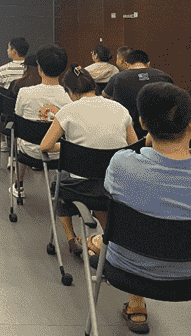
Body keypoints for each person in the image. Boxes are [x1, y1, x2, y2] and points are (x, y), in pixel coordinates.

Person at [104, 82, 191, 333]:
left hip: (128, 269)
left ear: (142, 123)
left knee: (103, 237)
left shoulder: (121, 164)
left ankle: (135, 301)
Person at [39, 65, 137, 257]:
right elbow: (133, 146)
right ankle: (108, 238)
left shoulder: (68, 110)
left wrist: (71, 148)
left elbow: (45, 146)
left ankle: (71, 238)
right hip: (116, 183)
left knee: (58, 182)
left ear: (70, 92)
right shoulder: (119, 108)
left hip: (81, 186)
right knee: (99, 182)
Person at [12, 44, 71, 200]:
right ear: (63, 69)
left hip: (29, 150)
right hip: (59, 152)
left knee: (20, 138)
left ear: (39, 69)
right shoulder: (69, 97)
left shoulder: (24, 92)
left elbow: (18, 118)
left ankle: (19, 184)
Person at [103, 49, 173, 137]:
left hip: (128, 130)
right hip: (160, 130)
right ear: (148, 64)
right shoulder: (164, 77)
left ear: (127, 64)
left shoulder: (117, 78)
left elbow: (105, 95)